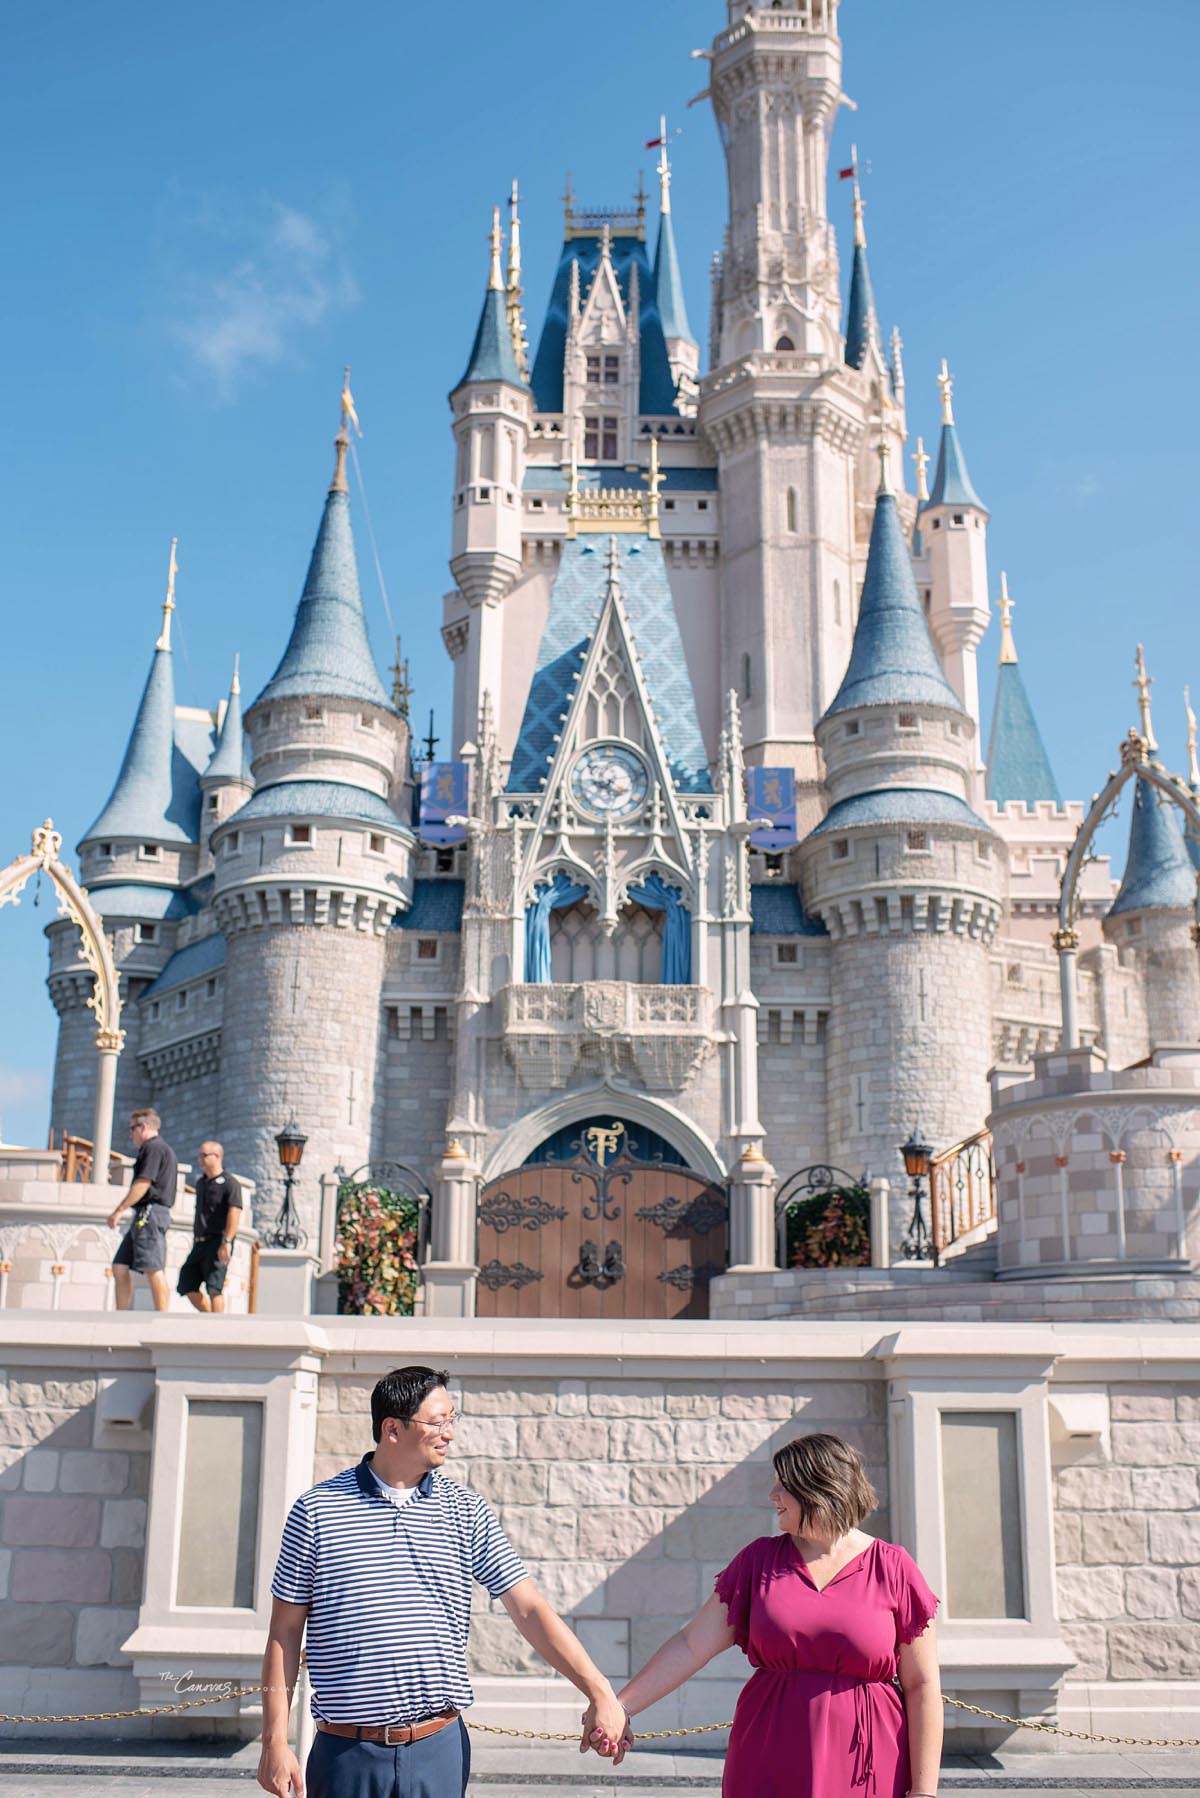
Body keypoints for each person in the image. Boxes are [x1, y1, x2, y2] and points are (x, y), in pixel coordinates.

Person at [257, 1365, 626, 1798]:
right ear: (392, 1429)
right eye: (438, 1422)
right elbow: (284, 1632)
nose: (450, 1433)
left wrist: (599, 1689)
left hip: (440, 1750)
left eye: (453, 1419)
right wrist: (275, 1743)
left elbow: (529, 1609)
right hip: (345, 1755)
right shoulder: (317, 1511)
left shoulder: (466, 1512)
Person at [593, 1432, 942, 1798]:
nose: (772, 1496)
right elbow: (691, 1644)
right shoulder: (758, 1562)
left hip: (867, 1763)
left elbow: (922, 1685)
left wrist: (924, 1791)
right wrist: (619, 1707)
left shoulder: (894, 1567)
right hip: (769, 1754)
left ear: (819, 1488)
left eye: (783, 1486)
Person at [106, 1108, 178, 1312]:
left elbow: (143, 1183)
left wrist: (119, 1210)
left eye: (132, 1129)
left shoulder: (153, 1148)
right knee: (120, 1267)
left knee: (153, 1267)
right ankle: (121, 1315)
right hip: (144, 1214)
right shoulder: (155, 1149)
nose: (130, 1135)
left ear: (144, 1127)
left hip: (151, 1214)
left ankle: (163, 1318)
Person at [177, 1140, 243, 1314]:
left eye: (204, 1155)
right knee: (186, 1283)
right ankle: (208, 1317)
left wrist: (226, 1242)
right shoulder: (201, 1183)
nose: (200, 1159)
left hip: (218, 1241)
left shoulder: (230, 1183)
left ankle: (218, 1326)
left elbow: (234, 1213)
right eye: (199, 1155)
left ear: (217, 1156)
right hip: (200, 1242)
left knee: (214, 1287)